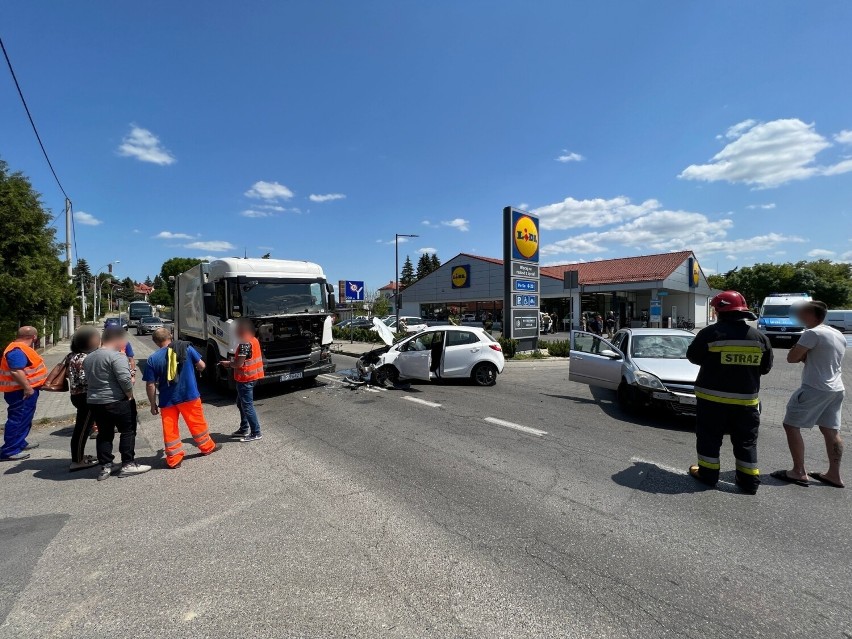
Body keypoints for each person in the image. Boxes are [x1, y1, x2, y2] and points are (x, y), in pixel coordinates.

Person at [686, 291, 773, 494]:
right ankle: (749, 481)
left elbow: (693, 357)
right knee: (746, 441)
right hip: (746, 403)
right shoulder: (759, 338)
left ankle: (708, 475)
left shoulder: (710, 334)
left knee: (709, 438)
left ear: (719, 311)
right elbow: (765, 368)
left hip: (712, 401)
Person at [772, 301, 846, 488]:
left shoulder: (812, 333)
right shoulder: (836, 333)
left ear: (812, 315)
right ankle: (834, 475)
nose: (798, 316)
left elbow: (792, 358)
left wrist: (800, 353)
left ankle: (798, 471)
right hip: (836, 388)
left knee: (790, 424)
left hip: (815, 388)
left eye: (802, 313)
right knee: (830, 430)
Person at [144, 328, 220, 468]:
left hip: (167, 400)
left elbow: (150, 385)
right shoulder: (186, 348)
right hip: (189, 395)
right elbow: (202, 366)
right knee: (197, 423)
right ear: (171, 336)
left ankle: (174, 460)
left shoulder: (152, 359)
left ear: (155, 342)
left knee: (170, 429)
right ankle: (207, 447)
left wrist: (152, 404)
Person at [84, 328, 151, 480]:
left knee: (104, 433)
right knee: (128, 431)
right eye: (125, 339)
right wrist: (129, 396)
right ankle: (128, 464)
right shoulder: (117, 356)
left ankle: (106, 466)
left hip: (95, 402)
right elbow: (125, 380)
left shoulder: (89, 358)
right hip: (116, 400)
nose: (126, 343)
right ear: (116, 340)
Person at [0, 326, 47, 461]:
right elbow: (16, 371)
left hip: (23, 391)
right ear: (34, 337)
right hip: (20, 392)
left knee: (24, 419)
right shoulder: (17, 350)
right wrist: (27, 388)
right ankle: (10, 450)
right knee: (18, 419)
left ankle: (19, 443)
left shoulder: (20, 349)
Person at [220, 320, 265, 442]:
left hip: (245, 379)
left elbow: (239, 363)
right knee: (241, 404)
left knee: (247, 406)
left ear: (243, 330)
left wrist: (228, 363)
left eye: (237, 329)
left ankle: (256, 432)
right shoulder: (253, 340)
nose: (235, 331)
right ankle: (244, 428)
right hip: (251, 377)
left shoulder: (245, 343)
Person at [67, 327, 101, 471]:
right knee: (82, 430)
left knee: (83, 427)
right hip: (85, 396)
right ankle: (77, 460)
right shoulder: (83, 358)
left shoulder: (73, 355)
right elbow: (84, 379)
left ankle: (79, 456)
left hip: (78, 395)